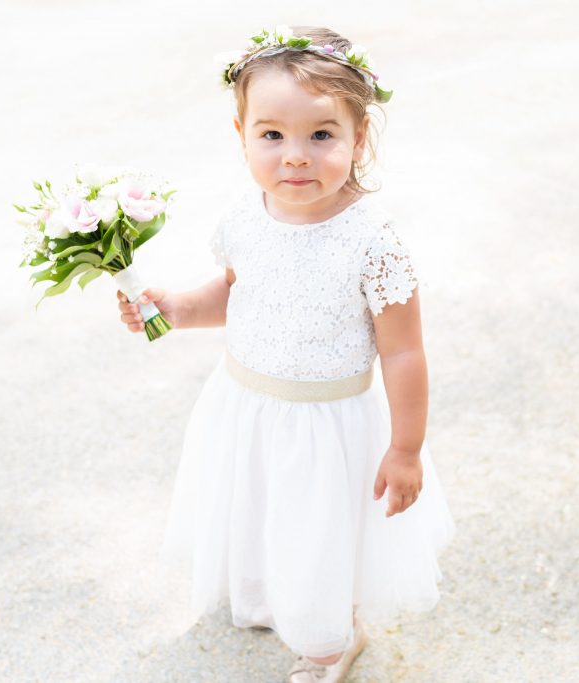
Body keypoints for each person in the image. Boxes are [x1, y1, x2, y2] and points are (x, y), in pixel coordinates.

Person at [116, 24, 456, 683]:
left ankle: (330, 639)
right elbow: (238, 293)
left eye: (321, 135)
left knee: (316, 531)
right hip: (245, 403)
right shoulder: (248, 214)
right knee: (260, 510)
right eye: (272, 135)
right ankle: (276, 596)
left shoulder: (372, 243)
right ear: (241, 134)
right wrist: (176, 308)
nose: (295, 156)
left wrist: (407, 446)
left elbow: (405, 353)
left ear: (360, 138)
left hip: (328, 424)